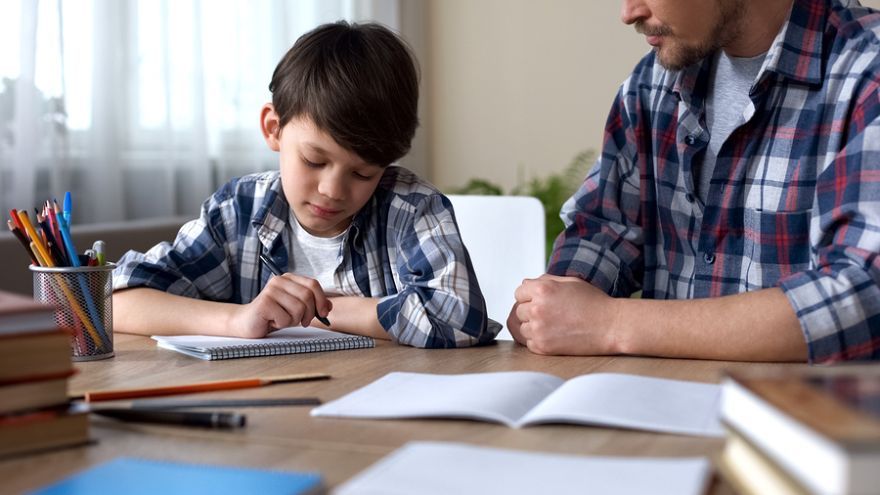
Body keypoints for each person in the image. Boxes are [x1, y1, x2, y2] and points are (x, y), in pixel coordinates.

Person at [508, 0, 880, 363]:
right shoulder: (653, 82)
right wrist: (554, 304)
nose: (628, 13)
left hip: (803, 416)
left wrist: (611, 323)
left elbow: (864, 296)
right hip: (657, 407)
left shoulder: (867, 72)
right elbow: (604, 230)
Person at [113, 21, 500, 348]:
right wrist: (238, 321)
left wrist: (319, 314)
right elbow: (116, 300)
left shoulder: (410, 208)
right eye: (315, 161)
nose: (333, 190)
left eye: (363, 173)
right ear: (273, 128)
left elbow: (459, 318)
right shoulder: (238, 211)